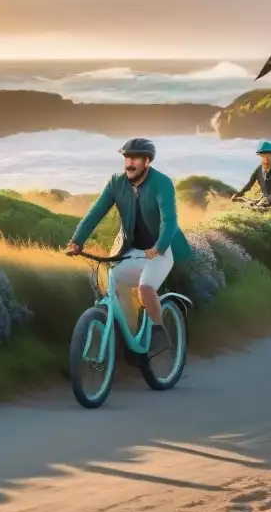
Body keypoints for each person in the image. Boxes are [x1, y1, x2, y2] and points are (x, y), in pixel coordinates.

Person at [66, 137, 192, 353]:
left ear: (146, 161)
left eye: (134, 158)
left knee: (145, 287)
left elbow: (169, 220)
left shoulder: (161, 183)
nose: (129, 163)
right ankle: (131, 337)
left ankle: (158, 331)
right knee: (114, 285)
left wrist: (159, 246)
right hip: (132, 250)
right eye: (126, 158)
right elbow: (96, 212)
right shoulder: (116, 182)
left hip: (160, 250)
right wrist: (77, 241)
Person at [232, 141, 271, 209]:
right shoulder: (259, 170)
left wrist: (267, 200)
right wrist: (239, 193)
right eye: (263, 156)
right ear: (260, 156)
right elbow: (249, 184)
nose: (266, 159)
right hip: (268, 202)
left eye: (268, 156)